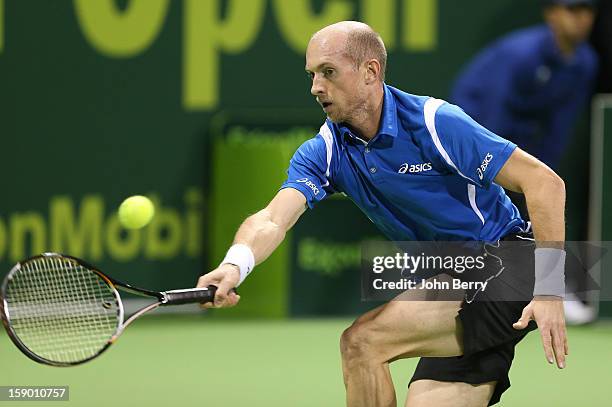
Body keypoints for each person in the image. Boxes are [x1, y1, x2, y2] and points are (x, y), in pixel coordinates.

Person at [197, 21, 568, 407]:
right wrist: (235, 264)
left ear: (370, 71)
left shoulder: (434, 123)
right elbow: (273, 219)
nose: (316, 87)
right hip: (453, 286)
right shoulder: (325, 152)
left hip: (506, 265)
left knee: (362, 342)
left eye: (328, 72)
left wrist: (549, 289)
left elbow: (545, 183)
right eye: (311, 75)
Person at [451, 0, 597, 325]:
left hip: (524, 136)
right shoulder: (520, 56)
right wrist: (500, 171)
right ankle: (475, 290)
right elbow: (489, 121)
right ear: (552, 15)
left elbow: (561, 125)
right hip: (475, 129)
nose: (582, 19)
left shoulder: (585, 61)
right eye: (573, 11)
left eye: (587, 11)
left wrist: (541, 175)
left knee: (546, 197)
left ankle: (552, 287)